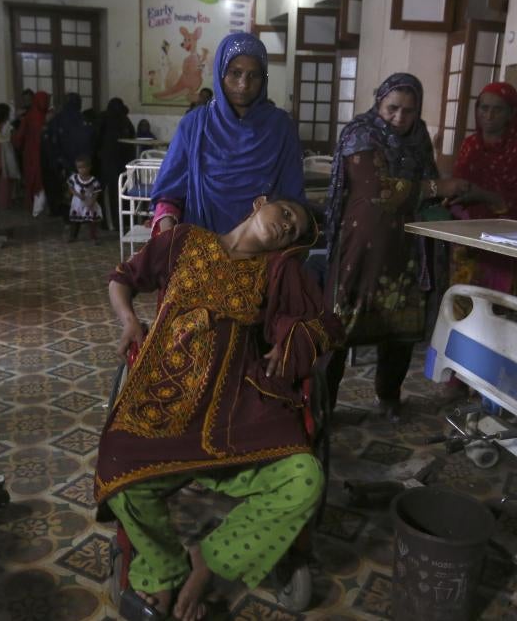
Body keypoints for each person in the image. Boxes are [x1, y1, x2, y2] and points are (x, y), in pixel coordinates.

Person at [96, 196, 341, 621]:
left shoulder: (277, 271)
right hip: (165, 397)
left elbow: (325, 323)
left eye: (295, 230)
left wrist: (290, 338)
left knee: (304, 478)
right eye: (285, 214)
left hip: (235, 411)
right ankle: (163, 568)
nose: (287, 226)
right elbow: (123, 278)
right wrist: (129, 320)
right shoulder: (182, 240)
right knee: (117, 470)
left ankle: (207, 562)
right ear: (259, 204)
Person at [323, 73, 471, 421]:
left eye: (409, 109)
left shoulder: (418, 138)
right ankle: (323, 404)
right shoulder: (361, 134)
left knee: (399, 326)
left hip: (406, 248)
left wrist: (443, 194)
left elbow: (426, 186)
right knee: (340, 324)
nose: (400, 118)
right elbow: (379, 190)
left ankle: (389, 395)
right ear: (379, 102)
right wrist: (438, 186)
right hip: (363, 247)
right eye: (393, 108)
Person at [151, 32, 305, 235]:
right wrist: (169, 240)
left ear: (264, 78)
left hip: (265, 254)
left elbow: (293, 199)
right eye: (235, 73)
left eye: (254, 75)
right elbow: (169, 195)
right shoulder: (194, 125)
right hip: (200, 250)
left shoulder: (280, 128)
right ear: (220, 73)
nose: (244, 84)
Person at [449, 82, 517, 292]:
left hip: (503, 238)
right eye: (484, 108)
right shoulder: (470, 144)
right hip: (466, 234)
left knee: (494, 297)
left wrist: (484, 196)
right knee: (463, 296)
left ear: (511, 114)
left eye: (497, 109)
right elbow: (457, 184)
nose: (488, 115)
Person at [96, 97, 136, 226]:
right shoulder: (126, 121)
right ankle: (124, 221)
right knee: (123, 191)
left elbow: (96, 139)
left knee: (110, 193)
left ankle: (111, 223)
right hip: (124, 164)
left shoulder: (104, 119)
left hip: (109, 163)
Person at [11, 91, 49, 212]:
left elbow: (19, 137)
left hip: (30, 153)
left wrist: (17, 145)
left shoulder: (28, 116)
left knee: (32, 178)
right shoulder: (47, 116)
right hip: (44, 154)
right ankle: (41, 206)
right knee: (42, 179)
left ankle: (32, 205)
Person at [66, 155, 103, 244]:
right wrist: (77, 194)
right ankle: (73, 236)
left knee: (92, 221)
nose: (82, 170)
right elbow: (70, 187)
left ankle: (94, 237)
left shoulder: (93, 180)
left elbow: (96, 191)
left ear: (89, 167)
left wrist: (92, 201)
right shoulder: (74, 178)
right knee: (75, 221)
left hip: (89, 203)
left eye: (84, 167)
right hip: (77, 203)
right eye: (79, 168)